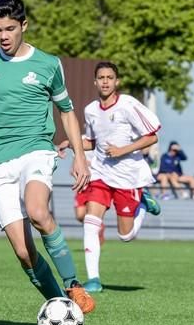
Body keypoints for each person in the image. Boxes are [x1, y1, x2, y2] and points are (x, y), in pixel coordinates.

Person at [0, 0, 95, 313]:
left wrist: (80, 157)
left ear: (24, 25)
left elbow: (67, 112)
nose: (3, 36)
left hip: (36, 150)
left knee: (38, 212)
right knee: (22, 250)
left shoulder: (48, 63)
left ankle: (73, 285)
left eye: (10, 29)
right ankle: (59, 305)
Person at [60, 62, 162, 293]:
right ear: (95, 82)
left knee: (125, 236)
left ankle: (143, 203)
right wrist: (73, 144)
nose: (105, 81)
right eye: (101, 77)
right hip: (101, 173)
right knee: (90, 222)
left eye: (110, 77)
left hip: (127, 176)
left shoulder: (128, 104)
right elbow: (94, 141)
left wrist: (123, 150)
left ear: (117, 82)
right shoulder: (90, 110)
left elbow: (152, 136)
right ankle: (94, 279)